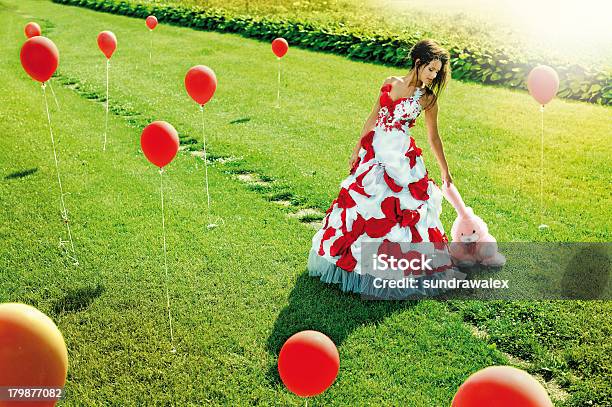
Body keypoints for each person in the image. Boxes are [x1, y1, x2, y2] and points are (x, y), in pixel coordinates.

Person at [308, 39, 464, 298]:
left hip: (401, 157)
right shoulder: (390, 82)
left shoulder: (427, 98)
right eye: (431, 69)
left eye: (437, 72)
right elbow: (372, 116)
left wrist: (445, 170)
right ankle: (356, 266)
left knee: (402, 211)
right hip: (376, 151)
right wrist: (357, 148)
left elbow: (434, 137)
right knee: (363, 206)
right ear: (418, 62)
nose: (433, 75)